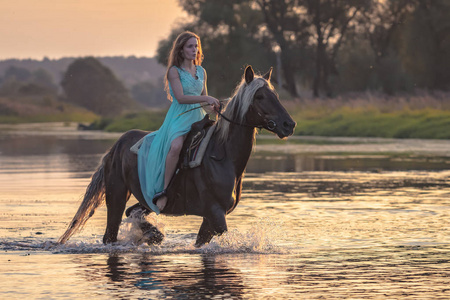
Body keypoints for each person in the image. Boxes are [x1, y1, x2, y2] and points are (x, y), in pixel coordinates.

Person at [137, 31, 220, 214]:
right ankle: (164, 190)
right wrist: (206, 97)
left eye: (196, 46)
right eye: (190, 46)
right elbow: (181, 98)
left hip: (198, 117)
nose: (194, 49)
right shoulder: (174, 71)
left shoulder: (201, 71)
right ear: (181, 50)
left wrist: (213, 108)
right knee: (176, 147)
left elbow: (203, 102)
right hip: (179, 118)